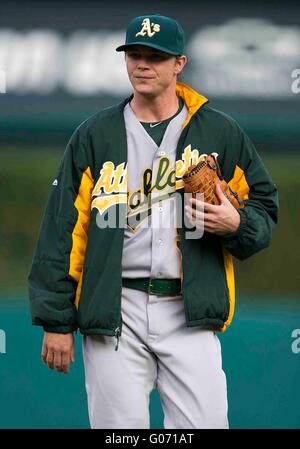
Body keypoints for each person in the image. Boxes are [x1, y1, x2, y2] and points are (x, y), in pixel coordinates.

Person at [28, 14, 278, 429]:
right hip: (115, 310)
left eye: (155, 57)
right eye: (135, 54)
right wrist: (56, 319)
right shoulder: (95, 135)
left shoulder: (219, 133)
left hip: (190, 308)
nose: (143, 64)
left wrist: (237, 225)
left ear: (179, 64)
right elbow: (63, 230)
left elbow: (265, 210)